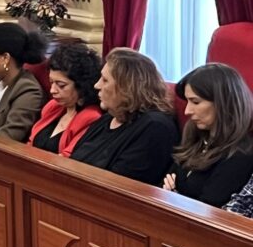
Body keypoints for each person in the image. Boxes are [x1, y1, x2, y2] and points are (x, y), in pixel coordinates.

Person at [71, 48, 178, 185]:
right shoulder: (108, 118)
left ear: (127, 87)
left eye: (105, 80)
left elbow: (121, 186)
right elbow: (74, 160)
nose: (97, 85)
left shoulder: (155, 127)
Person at [162, 64, 253, 207]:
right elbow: (165, 182)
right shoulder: (197, 136)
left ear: (223, 102)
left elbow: (208, 208)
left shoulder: (241, 154)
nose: (187, 111)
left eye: (196, 102)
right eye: (187, 101)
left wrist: (174, 195)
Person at [27, 43, 104, 157]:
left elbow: (67, 158)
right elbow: (30, 143)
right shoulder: (53, 106)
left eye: (61, 85)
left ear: (81, 86)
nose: (52, 90)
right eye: (51, 82)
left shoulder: (91, 117)